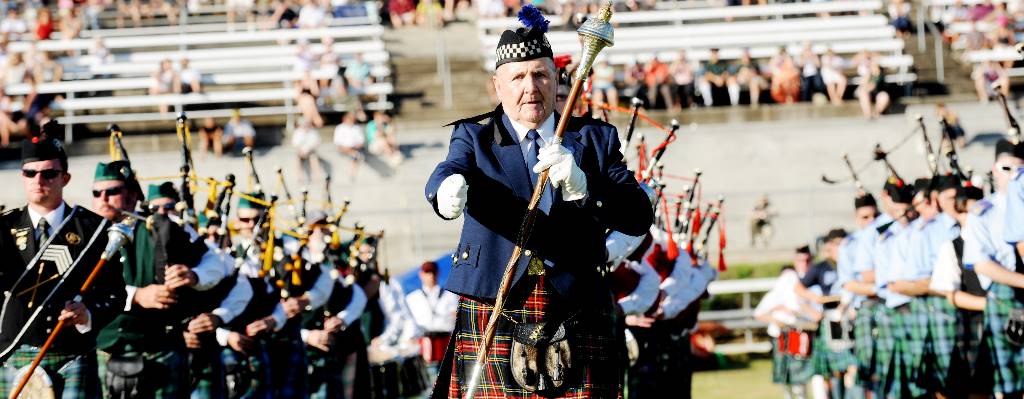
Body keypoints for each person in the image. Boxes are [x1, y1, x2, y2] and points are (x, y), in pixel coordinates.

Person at [425, 6, 654, 396]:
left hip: (578, 307)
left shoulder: (595, 139)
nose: (530, 87)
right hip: (495, 306)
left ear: (555, 79)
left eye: (540, 75)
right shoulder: (474, 137)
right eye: (517, 77)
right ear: (497, 86)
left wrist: (585, 188)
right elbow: (449, 169)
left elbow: (637, 215)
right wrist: (444, 191)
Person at [0, 126, 126, 398]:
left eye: (48, 173)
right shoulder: (2, 228)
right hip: (13, 353)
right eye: (30, 173)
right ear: (22, 177)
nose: (38, 180)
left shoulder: (94, 230)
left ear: (65, 178)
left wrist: (88, 313)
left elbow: (116, 294)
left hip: (73, 353)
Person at [90, 158, 230, 399]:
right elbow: (79, 288)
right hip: (104, 349)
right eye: (97, 192)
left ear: (133, 194)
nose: (103, 198)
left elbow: (215, 263)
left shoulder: (164, 226)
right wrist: (136, 296)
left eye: (112, 191)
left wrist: (194, 275)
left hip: (160, 349)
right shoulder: (84, 232)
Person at [963, 138, 1024, 397]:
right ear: (994, 169)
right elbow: (980, 263)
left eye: (1020, 169)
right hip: (1007, 299)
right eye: (1006, 169)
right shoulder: (983, 211)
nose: (1012, 176)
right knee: (1009, 383)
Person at [929, 178, 993, 398]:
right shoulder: (952, 246)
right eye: (966, 213)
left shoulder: (998, 240)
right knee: (978, 390)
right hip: (976, 324)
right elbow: (951, 295)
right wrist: (990, 305)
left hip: (1010, 321)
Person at [405, 261, 458, 373]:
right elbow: (409, 322)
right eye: (427, 273)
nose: (431, 276)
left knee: (448, 374)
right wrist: (409, 337)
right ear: (421, 275)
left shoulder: (450, 295)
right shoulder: (413, 298)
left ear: (438, 273)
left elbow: (455, 319)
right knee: (430, 376)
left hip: (446, 341)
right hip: (425, 343)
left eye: (433, 272)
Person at [853, 51, 890, 119]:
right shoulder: (868, 74)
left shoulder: (880, 75)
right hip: (869, 94)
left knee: (884, 96)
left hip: (878, 95)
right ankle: (868, 114)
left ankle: (876, 113)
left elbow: (872, 86)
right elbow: (863, 86)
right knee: (863, 93)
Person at [334, 112, 365, 180]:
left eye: (352, 119)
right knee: (354, 154)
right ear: (344, 119)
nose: (351, 121)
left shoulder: (357, 128)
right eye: (349, 119)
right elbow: (337, 142)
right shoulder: (339, 128)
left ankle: (353, 174)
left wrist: (355, 146)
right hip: (343, 148)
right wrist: (346, 147)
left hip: (355, 148)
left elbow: (361, 141)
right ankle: (354, 154)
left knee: (355, 154)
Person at [291, 118, 323, 185]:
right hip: (301, 152)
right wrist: (302, 151)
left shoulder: (313, 132)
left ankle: (317, 177)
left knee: (313, 158)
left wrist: (308, 150)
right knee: (297, 159)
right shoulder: (297, 132)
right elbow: (295, 144)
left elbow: (316, 143)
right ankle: (299, 178)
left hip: (311, 151)